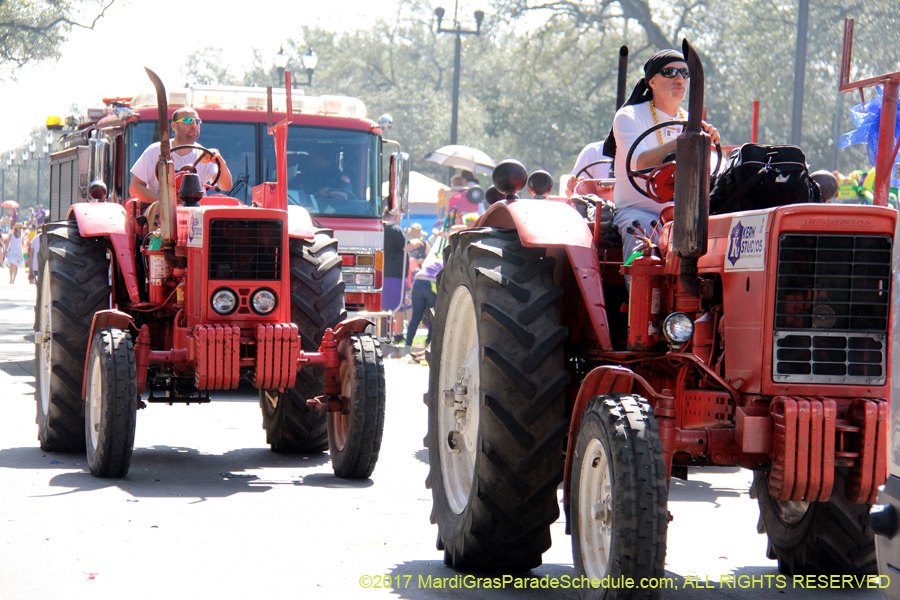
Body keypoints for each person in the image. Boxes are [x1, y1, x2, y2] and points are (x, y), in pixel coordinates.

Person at [603, 49, 719, 265]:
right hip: (640, 211)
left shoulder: (692, 122)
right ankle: (640, 297)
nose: (679, 79)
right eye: (669, 72)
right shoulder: (629, 116)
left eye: (685, 73)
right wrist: (684, 140)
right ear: (652, 81)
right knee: (642, 238)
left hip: (688, 215)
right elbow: (640, 162)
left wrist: (707, 145)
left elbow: (710, 176)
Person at [129, 107, 233, 206]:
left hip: (196, 216)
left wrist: (221, 163)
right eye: (187, 120)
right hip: (161, 215)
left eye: (197, 121)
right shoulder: (155, 151)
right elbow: (134, 187)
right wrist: (165, 200)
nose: (194, 125)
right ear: (174, 126)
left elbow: (226, 186)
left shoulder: (204, 155)